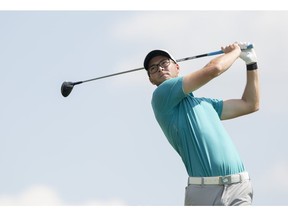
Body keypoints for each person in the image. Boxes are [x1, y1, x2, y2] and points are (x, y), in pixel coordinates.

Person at [143, 42, 259, 206]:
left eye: (164, 63)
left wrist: (251, 62)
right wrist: (236, 52)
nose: (160, 68)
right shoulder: (161, 96)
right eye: (153, 68)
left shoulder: (206, 104)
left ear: (177, 67)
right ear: (151, 79)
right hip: (203, 192)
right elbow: (214, 70)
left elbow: (250, 104)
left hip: (238, 187)